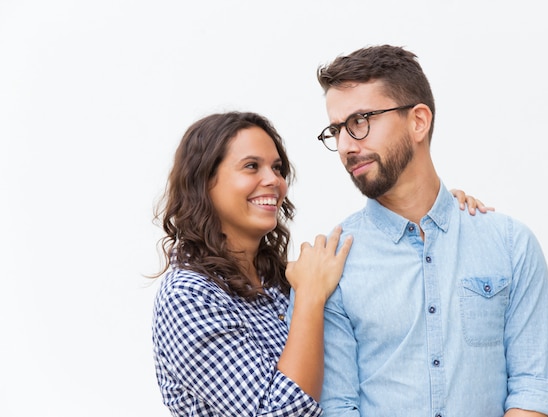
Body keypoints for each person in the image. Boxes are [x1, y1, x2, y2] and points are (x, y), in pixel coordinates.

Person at [150, 111, 486, 416]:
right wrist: (310, 297)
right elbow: (281, 412)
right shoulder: (189, 295)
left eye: (277, 168)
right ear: (204, 182)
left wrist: (434, 211)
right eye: (252, 166)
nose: (274, 181)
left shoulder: (279, 281)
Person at [307, 45, 548, 417]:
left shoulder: (510, 244)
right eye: (336, 130)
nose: (346, 145)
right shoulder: (330, 266)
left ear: (418, 121)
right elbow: (336, 407)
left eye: (360, 121)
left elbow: (535, 387)